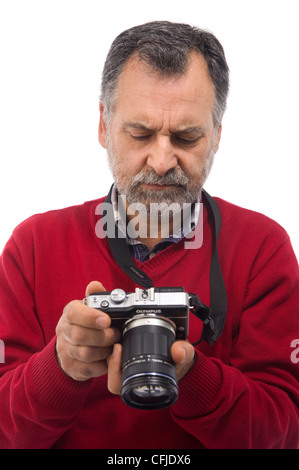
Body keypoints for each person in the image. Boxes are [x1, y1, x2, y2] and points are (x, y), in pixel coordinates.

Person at [0, 21, 298, 449]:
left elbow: (284, 432)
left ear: (216, 136)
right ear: (104, 126)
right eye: (140, 133)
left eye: (186, 136)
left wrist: (192, 372)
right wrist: (61, 365)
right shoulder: (32, 247)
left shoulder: (261, 249)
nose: (161, 160)